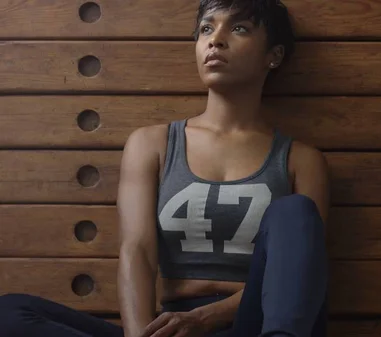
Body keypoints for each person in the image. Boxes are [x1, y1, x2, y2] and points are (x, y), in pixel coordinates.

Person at [0, 0, 331, 336]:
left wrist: (205, 317)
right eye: (206, 28)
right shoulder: (152, 145)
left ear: (273, 55)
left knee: (295, 212)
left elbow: (302, 274)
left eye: (239, 28)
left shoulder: (299, 160)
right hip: (170, 328)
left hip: (255, 323)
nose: (215, 40)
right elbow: (138, 251)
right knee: (10, 312)